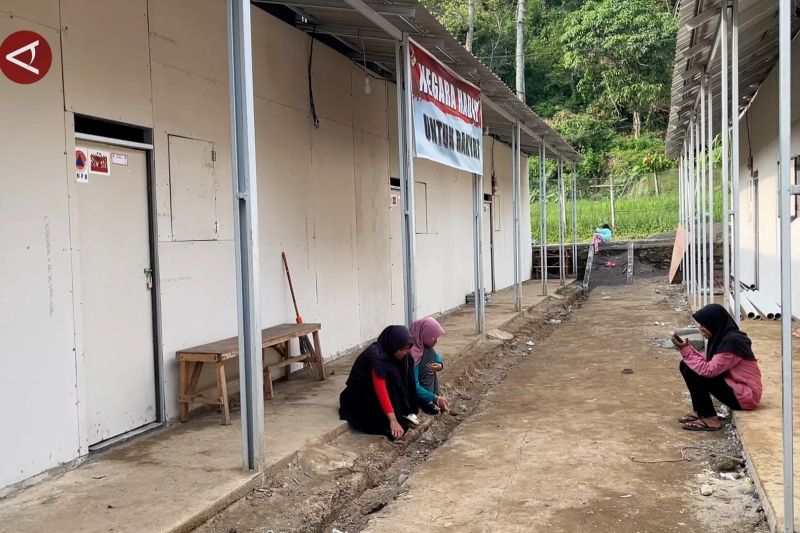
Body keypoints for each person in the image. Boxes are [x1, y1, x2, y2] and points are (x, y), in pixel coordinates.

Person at [672, 303, 762, 431]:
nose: (700, 328)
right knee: (686, 365)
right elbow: (709, 360)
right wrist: (687, 349)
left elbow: (709, 370)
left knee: (694, 370)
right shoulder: (723, 338)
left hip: (745, 396)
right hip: (736, 388)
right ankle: (702, 413)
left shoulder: (732, 342)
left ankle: (710, 419)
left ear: (714, 323)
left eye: (704, 325)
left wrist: (686, 351)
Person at [339, 325, 419, 440]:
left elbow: (406, 381)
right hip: (362, 395)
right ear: (393, 344)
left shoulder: (397, 354)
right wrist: (393, 420)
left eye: (407, 349)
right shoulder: (377, 358)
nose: (403, 353)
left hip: (377, 392)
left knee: (406, 363)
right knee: (387, 426)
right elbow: (380, 389)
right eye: (401, 349)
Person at [410, 317, 449, 414]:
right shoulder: (411, 353)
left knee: (430, 352)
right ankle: (427, 400)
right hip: (412, 391)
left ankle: (433, 395)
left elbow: (437, 356)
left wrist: (440, 365)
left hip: (422, 388)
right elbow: (413, 385)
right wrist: (434, 398)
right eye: (433, 337)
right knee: (429, 354)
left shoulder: (420, 345)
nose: (436, 341)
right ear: (424, 334)